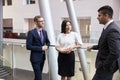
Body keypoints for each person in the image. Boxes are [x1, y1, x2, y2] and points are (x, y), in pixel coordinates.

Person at [87, 5, 120, 80]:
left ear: (106, 16)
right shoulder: (107, 28)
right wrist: (93, 47)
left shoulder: (112, 30)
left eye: (99, 15)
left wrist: (104, 65)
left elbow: (115, 52)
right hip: (104, 67)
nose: (97, 17)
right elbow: (103, 45)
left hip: (105, 68)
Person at [26, 15, 50, 80]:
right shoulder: (31, 33)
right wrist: (41, 48)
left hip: (42, 58)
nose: (43, 22)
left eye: (43, 21)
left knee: (37, 76)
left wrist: (47, 46)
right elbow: (28, 46)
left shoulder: (44, 32)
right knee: (39, 77)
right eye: (41, 21)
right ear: (36, 22)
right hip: (35, 58)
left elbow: (48, 42)